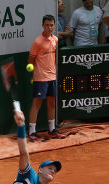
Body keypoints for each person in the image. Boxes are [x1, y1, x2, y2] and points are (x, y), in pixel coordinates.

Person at [28, 14, 66, 142]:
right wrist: (33, 75)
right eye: (47, 25)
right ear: (43, 25)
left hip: (52, 77)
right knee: (37, 104)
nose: (49, 27)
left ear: (54, 25)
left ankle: (51, 130)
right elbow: (30, 61)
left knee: (51, 103)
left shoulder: (55, 39)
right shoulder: (37, 41)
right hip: (40, 78)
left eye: (51, 25)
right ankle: (32, 132)